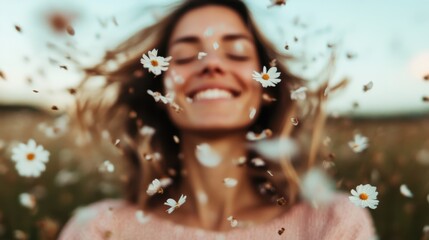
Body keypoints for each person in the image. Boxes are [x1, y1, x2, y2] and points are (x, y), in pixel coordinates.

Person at [59, 0, 375, 239]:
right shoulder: (100, 228)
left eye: (236, 52)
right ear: (157, 88)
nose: (211, 64)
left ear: (268, 89)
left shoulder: (332, 223)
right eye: (183, 56)